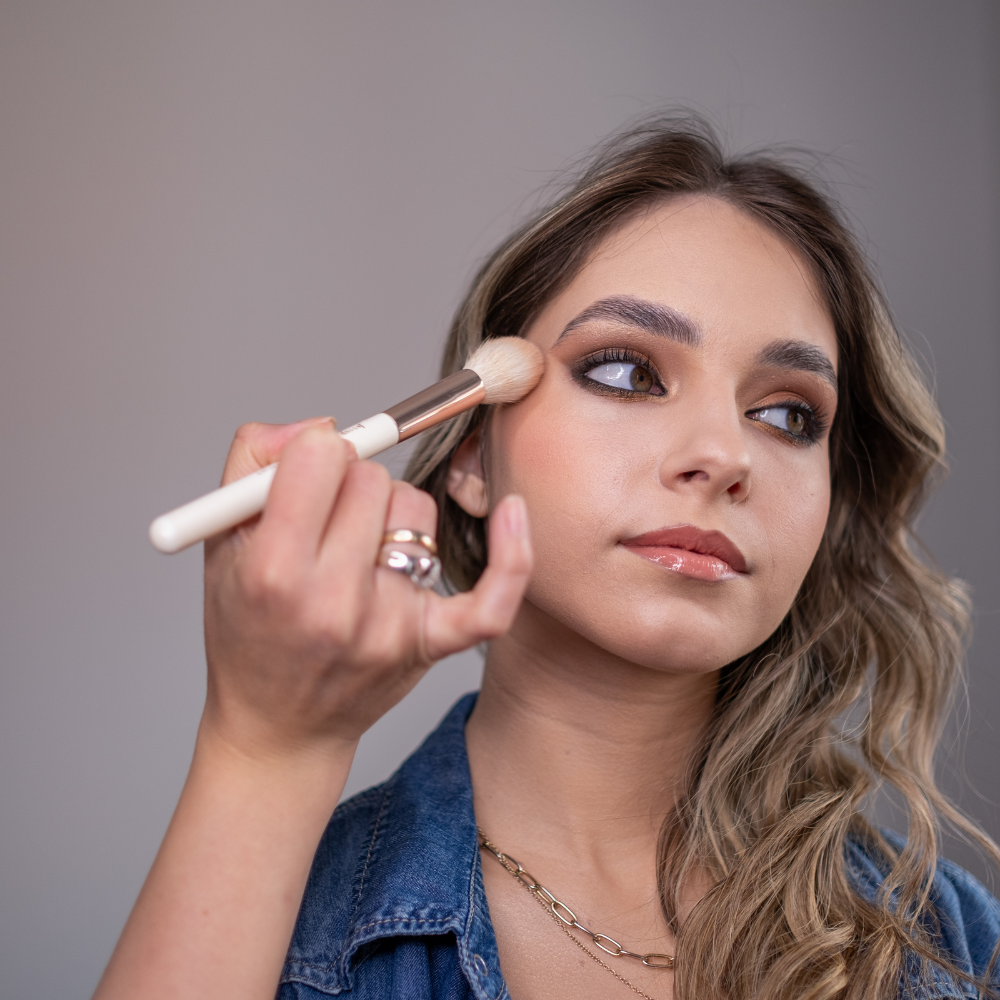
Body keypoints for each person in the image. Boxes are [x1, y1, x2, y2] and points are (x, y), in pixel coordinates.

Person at [93, 116, 1000, 1000]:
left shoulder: (953, 944)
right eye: (624, 372)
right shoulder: (293, 940)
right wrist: (262, 746)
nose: (726, 455)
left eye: (788, 415)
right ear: (473, 458)